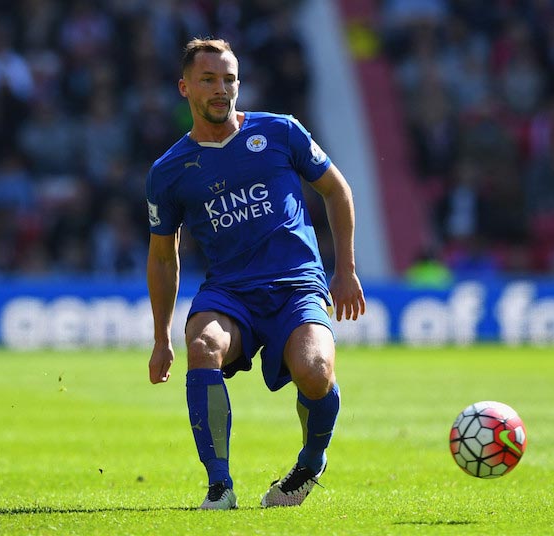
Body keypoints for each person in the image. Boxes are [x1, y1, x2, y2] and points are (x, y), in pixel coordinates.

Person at [145, 38, 366, 510]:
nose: (222, 90)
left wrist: (344, 270)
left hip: (296, 286)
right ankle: (220, 487)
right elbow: (164, 256)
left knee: (316, 370)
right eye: (209, 80)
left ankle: (310, 463)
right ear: (185, 88)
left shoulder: (281, 131)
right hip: (230, 293)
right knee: (202, 347)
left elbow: (337, 190)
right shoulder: (169, 171)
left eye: (229, 79)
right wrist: (163, 336)